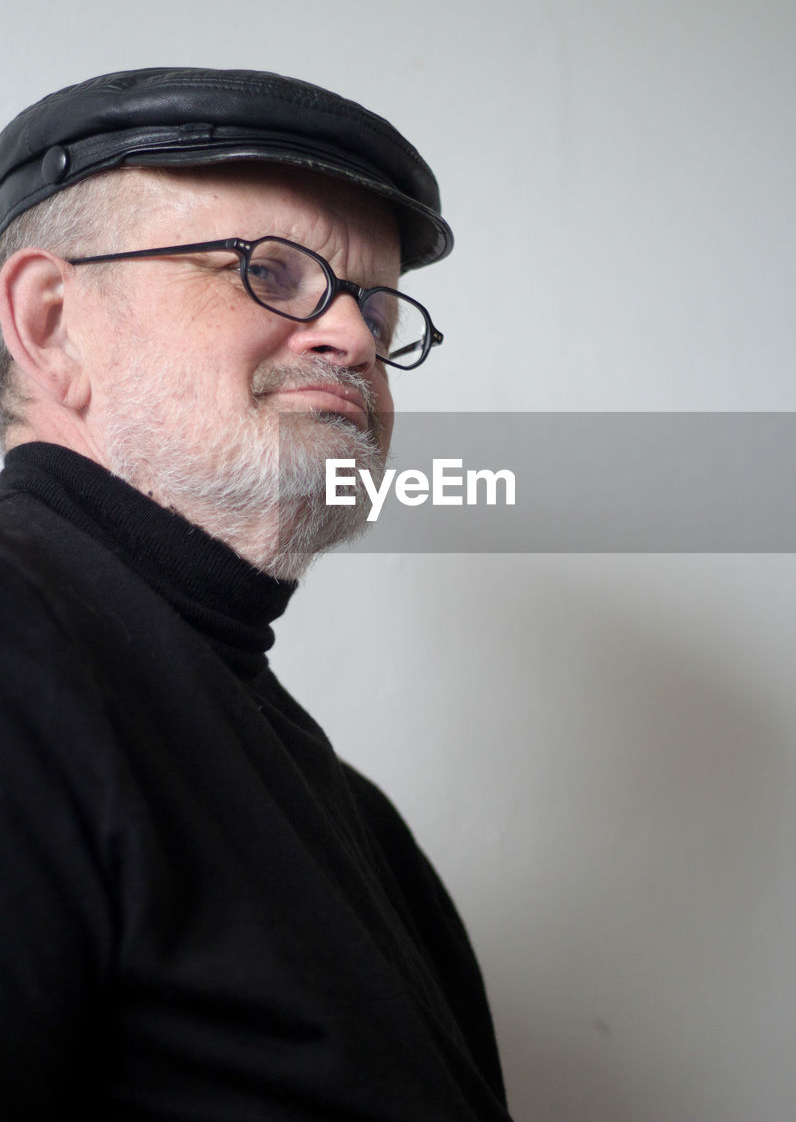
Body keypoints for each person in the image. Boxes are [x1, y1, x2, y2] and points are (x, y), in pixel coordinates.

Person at [0, 67, 511, 1120]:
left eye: (375, 301)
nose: (356, 337)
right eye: (270, 271)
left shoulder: (360, 823)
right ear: (52, 321)